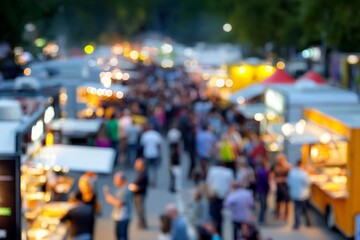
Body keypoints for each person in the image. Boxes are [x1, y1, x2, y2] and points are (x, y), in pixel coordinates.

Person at [206, 161, 234, 237]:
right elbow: (231, 185)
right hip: (222, 197)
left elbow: (208, 183)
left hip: (215, 196)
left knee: (213, 216)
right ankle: (218, 234)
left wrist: (209, 193)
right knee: (219, 218)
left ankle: (213, 233)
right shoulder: (228, 172)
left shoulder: (213, 170)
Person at [103, 172, 133, 240]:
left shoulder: (124, 191)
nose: (114, 182)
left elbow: (119, 203)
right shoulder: (125, 188)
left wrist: (109, 199)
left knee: (120, 236)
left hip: (121, 217)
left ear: (121, 180)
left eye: (116, 180)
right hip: (124, 216)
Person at [287, 159, 311, 230]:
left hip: (295, 193)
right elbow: (307, 183)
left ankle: (299, 223)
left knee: (297, 208)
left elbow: (289, 183)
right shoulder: (303, 173)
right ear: (301, 165)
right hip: (302, 194)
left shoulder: (291, 172)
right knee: (303, 208)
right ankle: (305, 223)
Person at [129, 158, 149, 229]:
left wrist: (133, 187)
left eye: (137, 164)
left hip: (140, 194)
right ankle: (141, 223)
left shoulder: (143, 174)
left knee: (140, 209)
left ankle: (142, 224)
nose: (135, 165)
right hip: (138, 193)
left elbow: (140, 185)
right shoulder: (140, 172)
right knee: (139, 209)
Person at [272, 153, 291, 220]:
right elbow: (273, 175)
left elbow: (290, 178)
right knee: (278, 201)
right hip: (278, 187)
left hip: (286, 186)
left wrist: (281, 180)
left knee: (286, 201)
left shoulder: (288, 167)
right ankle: (277, 213)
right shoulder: (276, 166)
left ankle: (286, 215)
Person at [167, 124, 182, 192]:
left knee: (173, 176)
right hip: (175, 164)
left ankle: (172, 187)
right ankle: (174, 187)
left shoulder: (170, 132)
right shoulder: (175, 150)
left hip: (174, 164)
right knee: (175, 176)